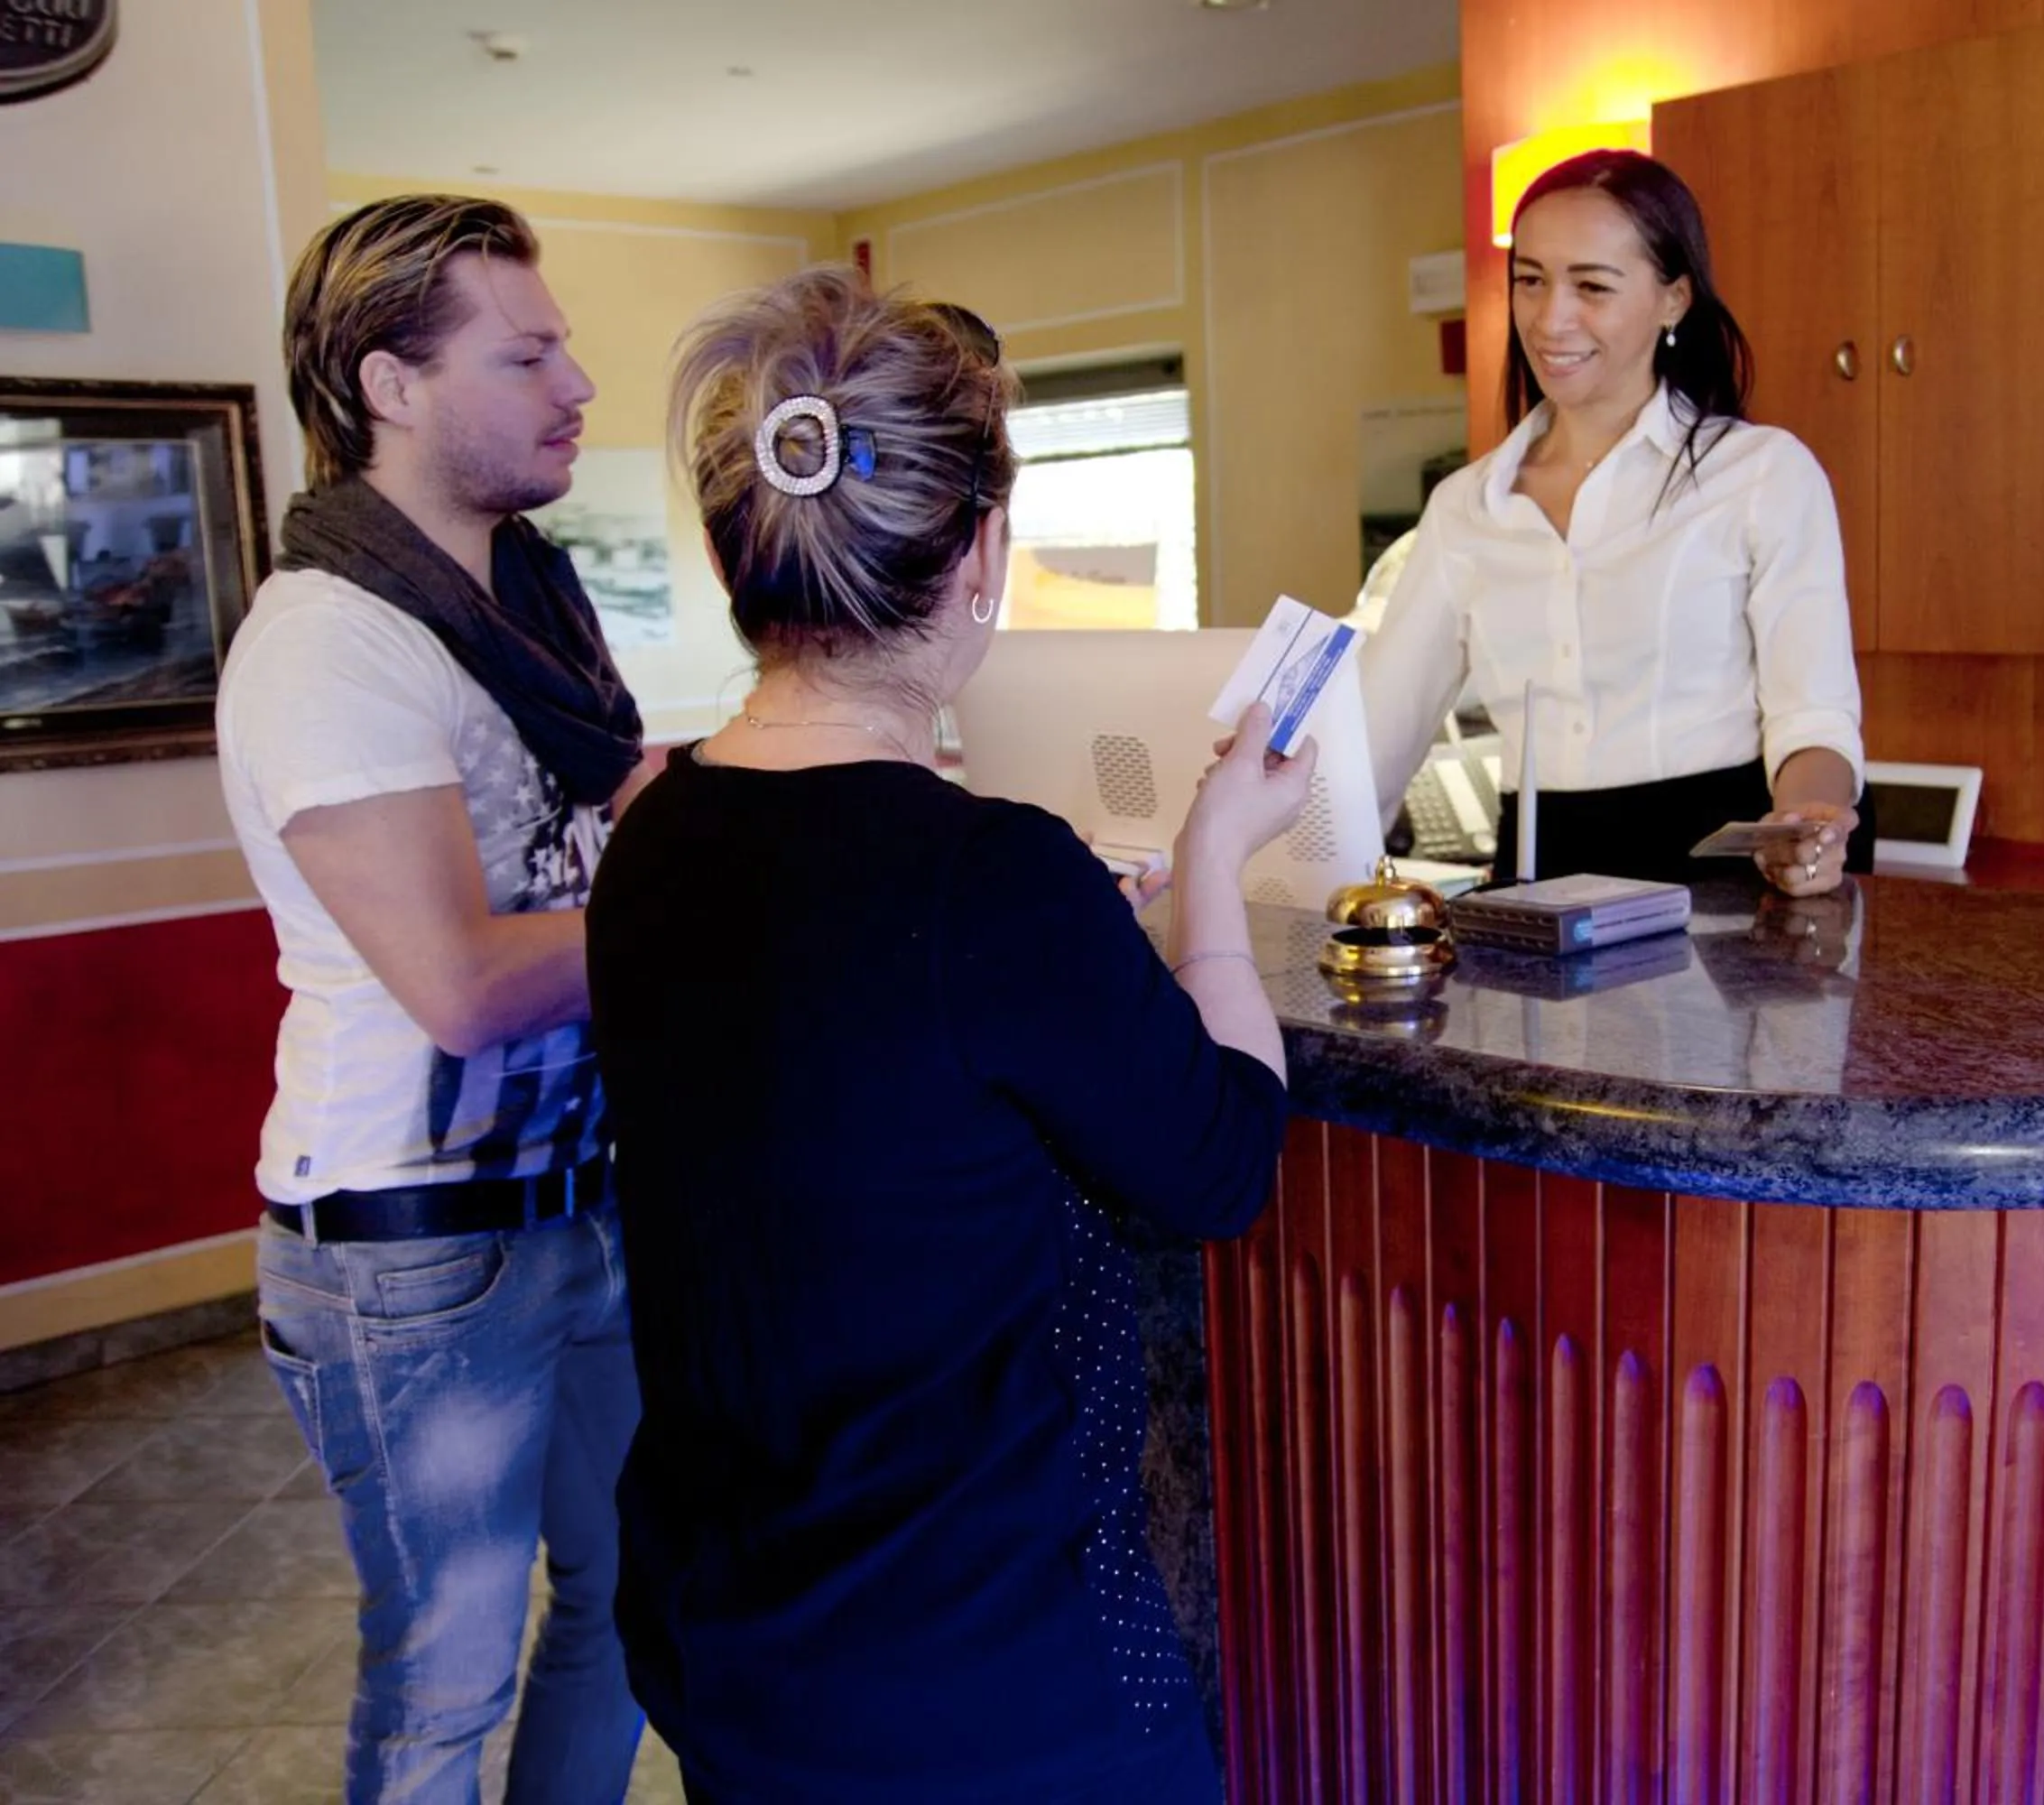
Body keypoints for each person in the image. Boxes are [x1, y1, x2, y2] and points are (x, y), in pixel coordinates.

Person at [585, 266, 1311, 1803]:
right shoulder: (987, 879)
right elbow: (1223, 1161)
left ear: (740, 558)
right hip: (992, 1685)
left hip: (737, 1646)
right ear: (983, 554)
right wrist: (1214, 877)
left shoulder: (650, 839)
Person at [215, 194, 649, 1804]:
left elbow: (588, 834)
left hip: (576, 1202)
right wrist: (696, 905)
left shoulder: (525, 607)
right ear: (390, 385)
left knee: (628, 1599)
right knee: (442, 1686)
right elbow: (465, 986)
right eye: (526, 353)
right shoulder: (329, 643)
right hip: (409, 1249)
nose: (577, 383)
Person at [1363, 148, 1868, 895]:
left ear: (1674, 300)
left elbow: (1815, 718)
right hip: (1540, 881)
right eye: (1529, 280)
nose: (1549, 318)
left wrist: (1807, 823)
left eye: (1591, 285)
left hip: (1724, 890)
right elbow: (1377, 737)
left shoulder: (1761, 474)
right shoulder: (1466, 509)